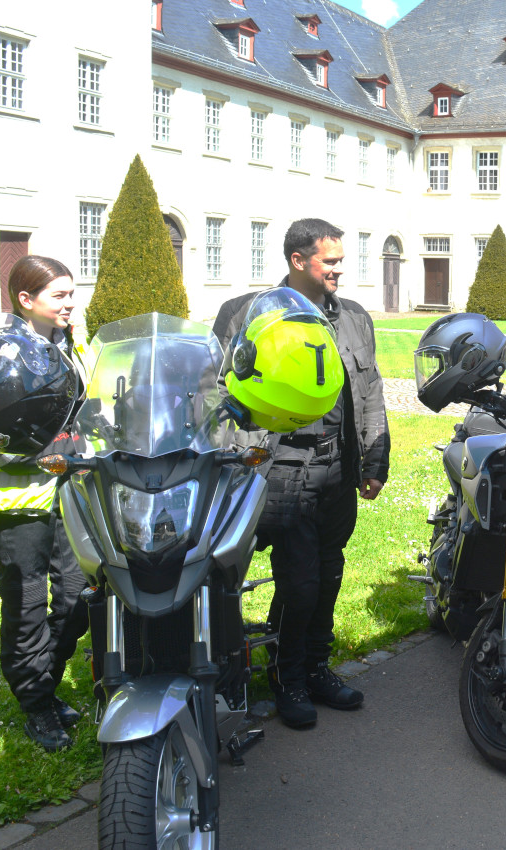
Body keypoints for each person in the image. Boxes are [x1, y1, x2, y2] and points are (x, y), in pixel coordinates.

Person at [213, 218, 390, 729]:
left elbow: (371, 390)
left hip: (338, 466)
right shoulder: (248, 312)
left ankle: (316, 667)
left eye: (340, 259)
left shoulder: (354, 318)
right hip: (281, 465)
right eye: (330, 260)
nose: (340, 269)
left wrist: (375, 460)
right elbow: (218, 386)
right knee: (300, 581)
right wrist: (233, 456)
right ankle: (286, 677)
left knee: (328, 577)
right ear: (298, 261)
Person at [0, 256, 89, 751]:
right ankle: (37, 705)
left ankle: (48, 683)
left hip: (72, 492)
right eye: (59, 295)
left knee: (78, 597)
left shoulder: (74, 341)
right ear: (26, 300)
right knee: (29, 606)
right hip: (14, 501)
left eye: (71, 292)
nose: (70, 302)